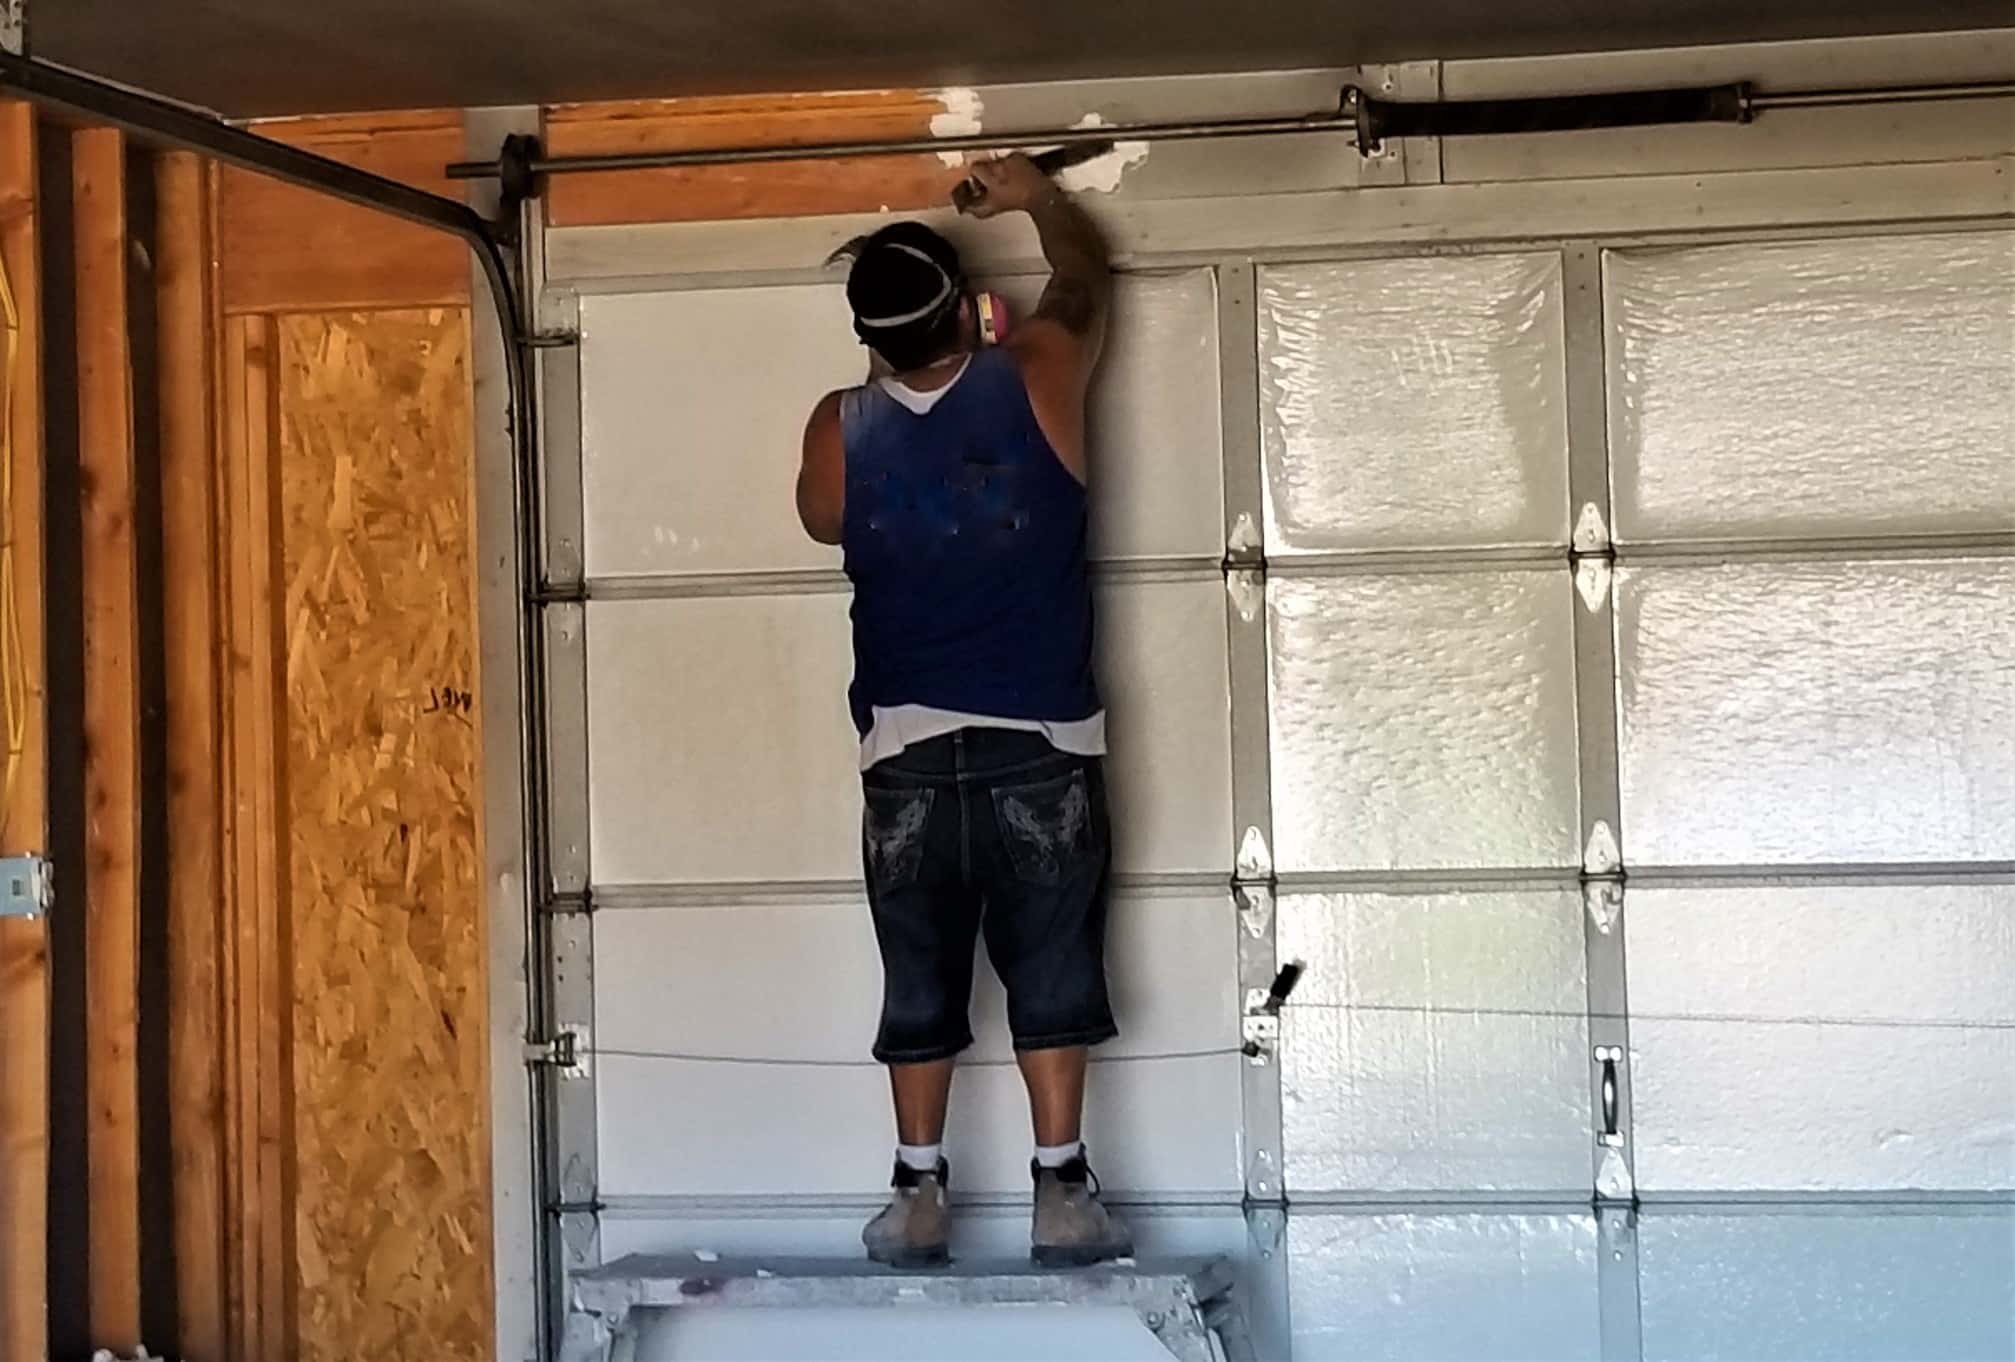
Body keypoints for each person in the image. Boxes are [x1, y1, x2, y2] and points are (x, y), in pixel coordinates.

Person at [794, 154, 1130, 1270]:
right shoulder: (1035, 366)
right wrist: (1039, 201)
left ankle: (917, 1191)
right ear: (970, 311)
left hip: (901, 751)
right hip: (1042, 737)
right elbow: (1085, 278)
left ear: (867, 338)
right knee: (1051, 963)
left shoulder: (836, 428)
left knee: (918, 970)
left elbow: (819, 523)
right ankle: (1062, 1192)